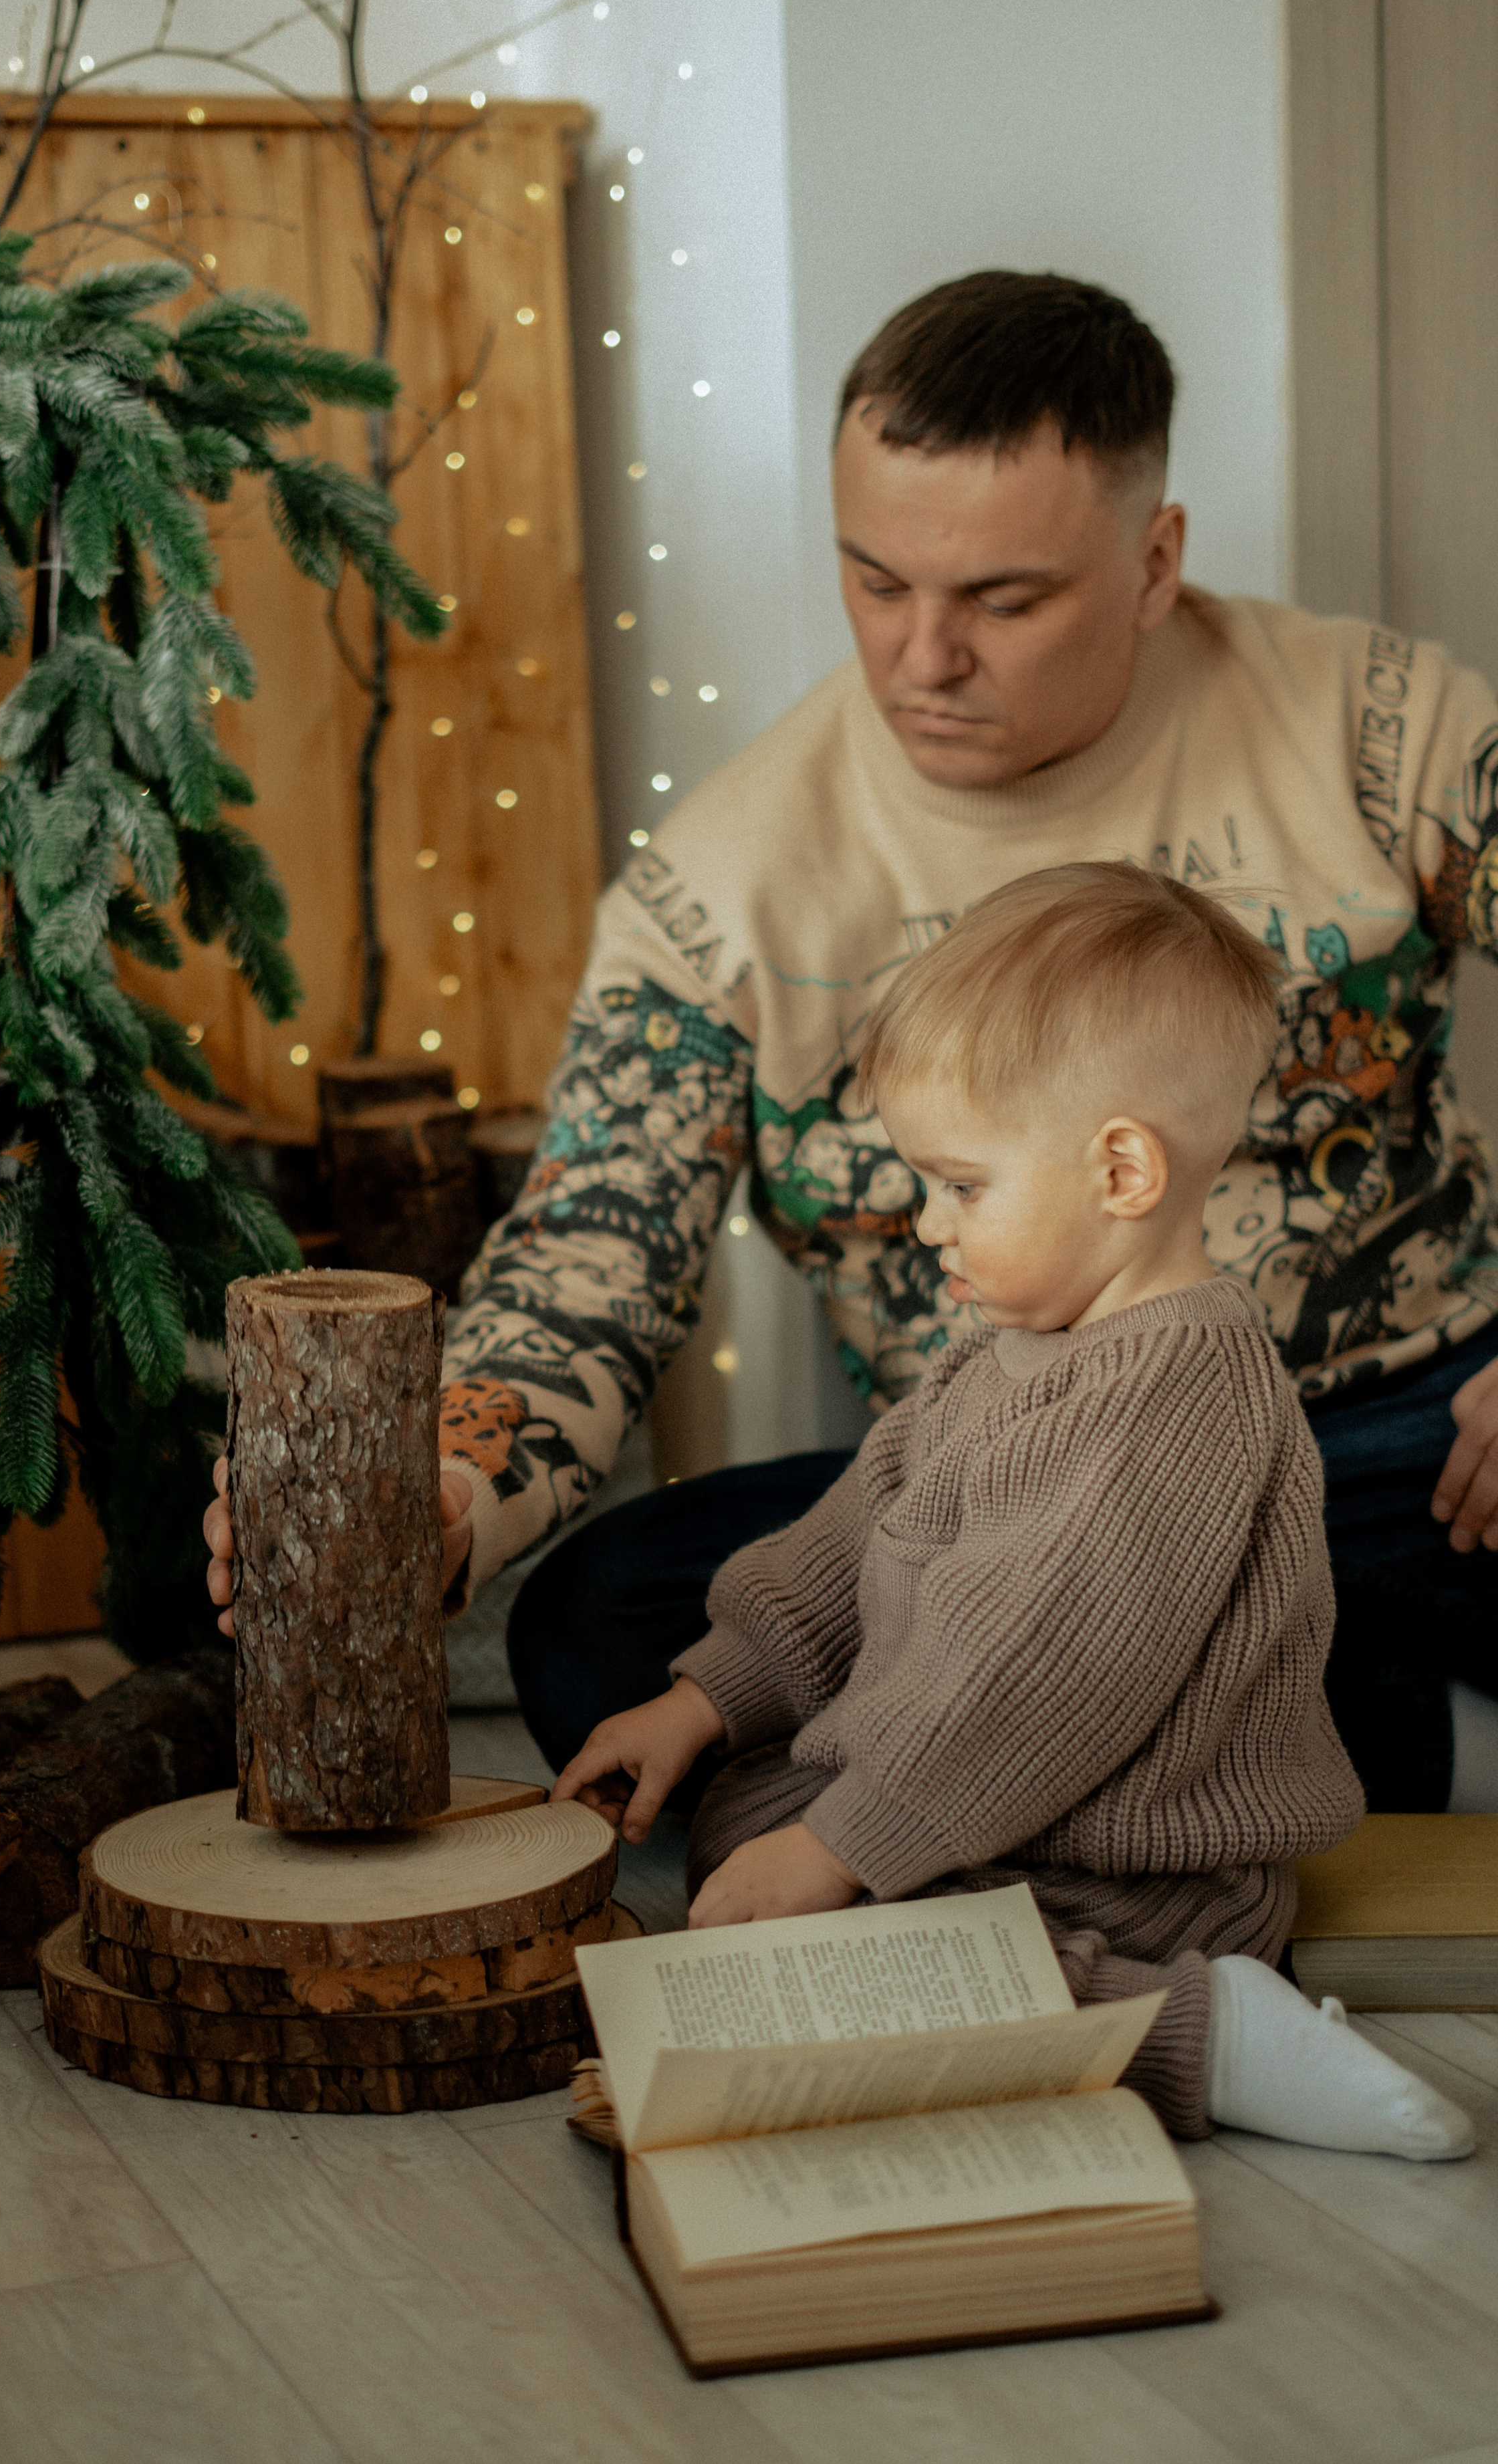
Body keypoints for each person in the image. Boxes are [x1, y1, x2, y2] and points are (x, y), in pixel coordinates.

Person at [209, 269, 1498, 1810]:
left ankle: (1140, 1754)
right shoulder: (725, 887)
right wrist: (444, 1489)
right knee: (599, 1628)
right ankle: (1260, 1736)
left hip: (1412, 1444)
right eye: (875, 582)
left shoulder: (1380, 726)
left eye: (1001, 600)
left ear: (1152, 561)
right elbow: (586, 1258)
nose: (920, 658)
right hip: (1007, 1480)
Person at [550, 864, 1473, 2159]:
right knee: (749, 1832)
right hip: (973, 1818)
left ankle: (1211, 2035)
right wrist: (702, 1698)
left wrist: (845, 1843)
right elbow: (846, 1540)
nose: (927, 1224)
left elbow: (1030, 1677)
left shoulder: (1175, 1390)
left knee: (840, 1940)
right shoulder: (999, 1353)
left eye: (961, 1185)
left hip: (1124, 1877)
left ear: (1118, 1169)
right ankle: (854, 1909)